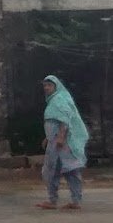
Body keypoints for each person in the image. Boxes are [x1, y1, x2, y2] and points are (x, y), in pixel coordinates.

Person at [36, 75, 88, 211]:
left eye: (49, 85)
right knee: (52, 170)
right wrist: (48, 137)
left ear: (56, 86)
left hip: (64, 143)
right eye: (45, 85)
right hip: (54, 141)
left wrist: (60, 137)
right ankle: (52, 200)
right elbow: (53, 121)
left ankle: (76, 200)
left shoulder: (60, 98)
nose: (47, 88)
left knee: (70, 169)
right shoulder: (52, 101)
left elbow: (65, 119)